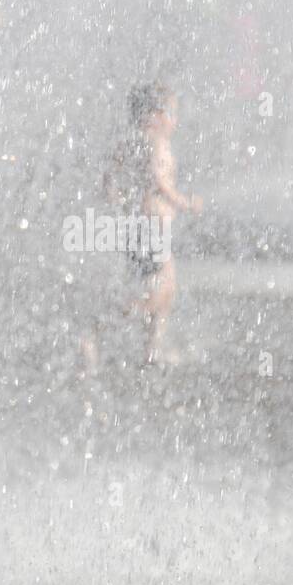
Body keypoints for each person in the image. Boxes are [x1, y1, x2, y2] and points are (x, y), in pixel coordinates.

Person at [81, 81, 203, 371]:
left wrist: (115, 196)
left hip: (139, 228)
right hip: (151, 231)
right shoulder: (156, 144)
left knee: (165, 288)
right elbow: (159, 182)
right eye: (170, 112)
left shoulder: (130, 142)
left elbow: (110, 175)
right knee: (156, 293)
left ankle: (152, 349)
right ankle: (97, 330)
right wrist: (186, 203)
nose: (175, 120)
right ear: (152, 116)